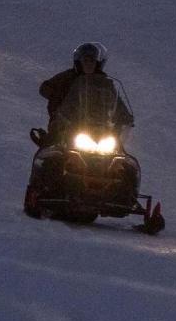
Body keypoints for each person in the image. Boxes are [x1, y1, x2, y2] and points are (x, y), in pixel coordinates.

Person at [29, 42, 137, 204]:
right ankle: (42, 189)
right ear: (79, 62)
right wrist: (58, 100)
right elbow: (45, 89)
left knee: (125, 160)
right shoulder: (69, 77)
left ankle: (127, 196)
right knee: (53, 150)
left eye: (92, 61)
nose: (88, 64)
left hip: (100, 130)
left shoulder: (106, 84)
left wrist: (125, 119)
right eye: (85, 61)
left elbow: (118, 104)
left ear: (98, 63)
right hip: (70, 125)